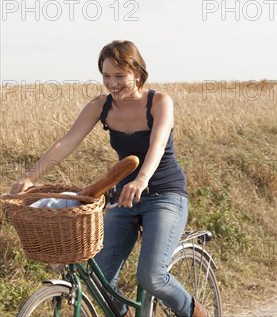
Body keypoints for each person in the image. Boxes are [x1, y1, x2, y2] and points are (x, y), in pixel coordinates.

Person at [10, 40, 207, 317]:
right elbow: (67, 142)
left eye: (119, 76)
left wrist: (141, 180)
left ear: (137, 72)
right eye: (105, 76)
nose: (112, 84)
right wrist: (31, 176)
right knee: (98, 276)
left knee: (151, 276)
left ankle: (197, 313)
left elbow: (158, 145)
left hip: (165, 195)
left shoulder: (160, 102)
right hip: (125, 198)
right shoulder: (100, 107)